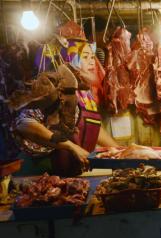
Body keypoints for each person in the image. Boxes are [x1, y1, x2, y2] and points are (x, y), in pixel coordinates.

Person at [11, 21, 118, 177]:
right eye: (86, 56)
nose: (91, 61)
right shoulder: (51, 84)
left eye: (92, 56)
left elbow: (92, 127)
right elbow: (24, 124)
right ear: (69, 57)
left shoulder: (82, 91)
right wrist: (70, 146)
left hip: (68, 168)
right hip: (41, 167)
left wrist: (120, 150)